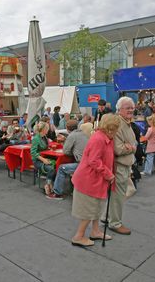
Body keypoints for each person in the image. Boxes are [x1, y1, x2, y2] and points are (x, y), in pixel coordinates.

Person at [71, 114, 120, 247]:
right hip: (89, 180)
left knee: (97, 207)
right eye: (115, 129)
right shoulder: (99, 139)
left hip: (96, 179)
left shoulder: (106, 137)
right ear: (110, 129)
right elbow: (94, 161)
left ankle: (95, 231)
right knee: (89, 209)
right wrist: (108, 174)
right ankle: (79, 236)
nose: (116, 132)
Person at [107, 96, 136, 235]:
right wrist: (132, 148)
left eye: (132, 107)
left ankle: (107, 218)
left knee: (118, 195)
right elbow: (118, 149)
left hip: (124, 166)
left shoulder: (126, 122)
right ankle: (115, 223)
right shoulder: (119, 123)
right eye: (127, 108)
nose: (131, 110)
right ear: (119, 110)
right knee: (118, 196)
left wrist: (130, 146)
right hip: (119, 166)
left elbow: (130, 143)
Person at [46, 120, 88, 200]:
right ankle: (72, 190)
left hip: (82, 164)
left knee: (61, 168)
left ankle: (57, 193)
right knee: (68, 164)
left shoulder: (72, 136)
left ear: (67, 128)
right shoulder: (83, 134)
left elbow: (65, 151)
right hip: (87, 162)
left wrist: (66, 142)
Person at [31, 121, 56, 195]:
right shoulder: (36, 138)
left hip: (45, 157)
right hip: (37, 161)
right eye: (47, 128)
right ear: (44, 129)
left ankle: (49, 183)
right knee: (51, 168)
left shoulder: (44, 137)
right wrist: (43, 160)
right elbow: (33, 152)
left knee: (56, 165)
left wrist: (49, 149)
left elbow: (45, 148)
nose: (48, 130)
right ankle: (47, 185)